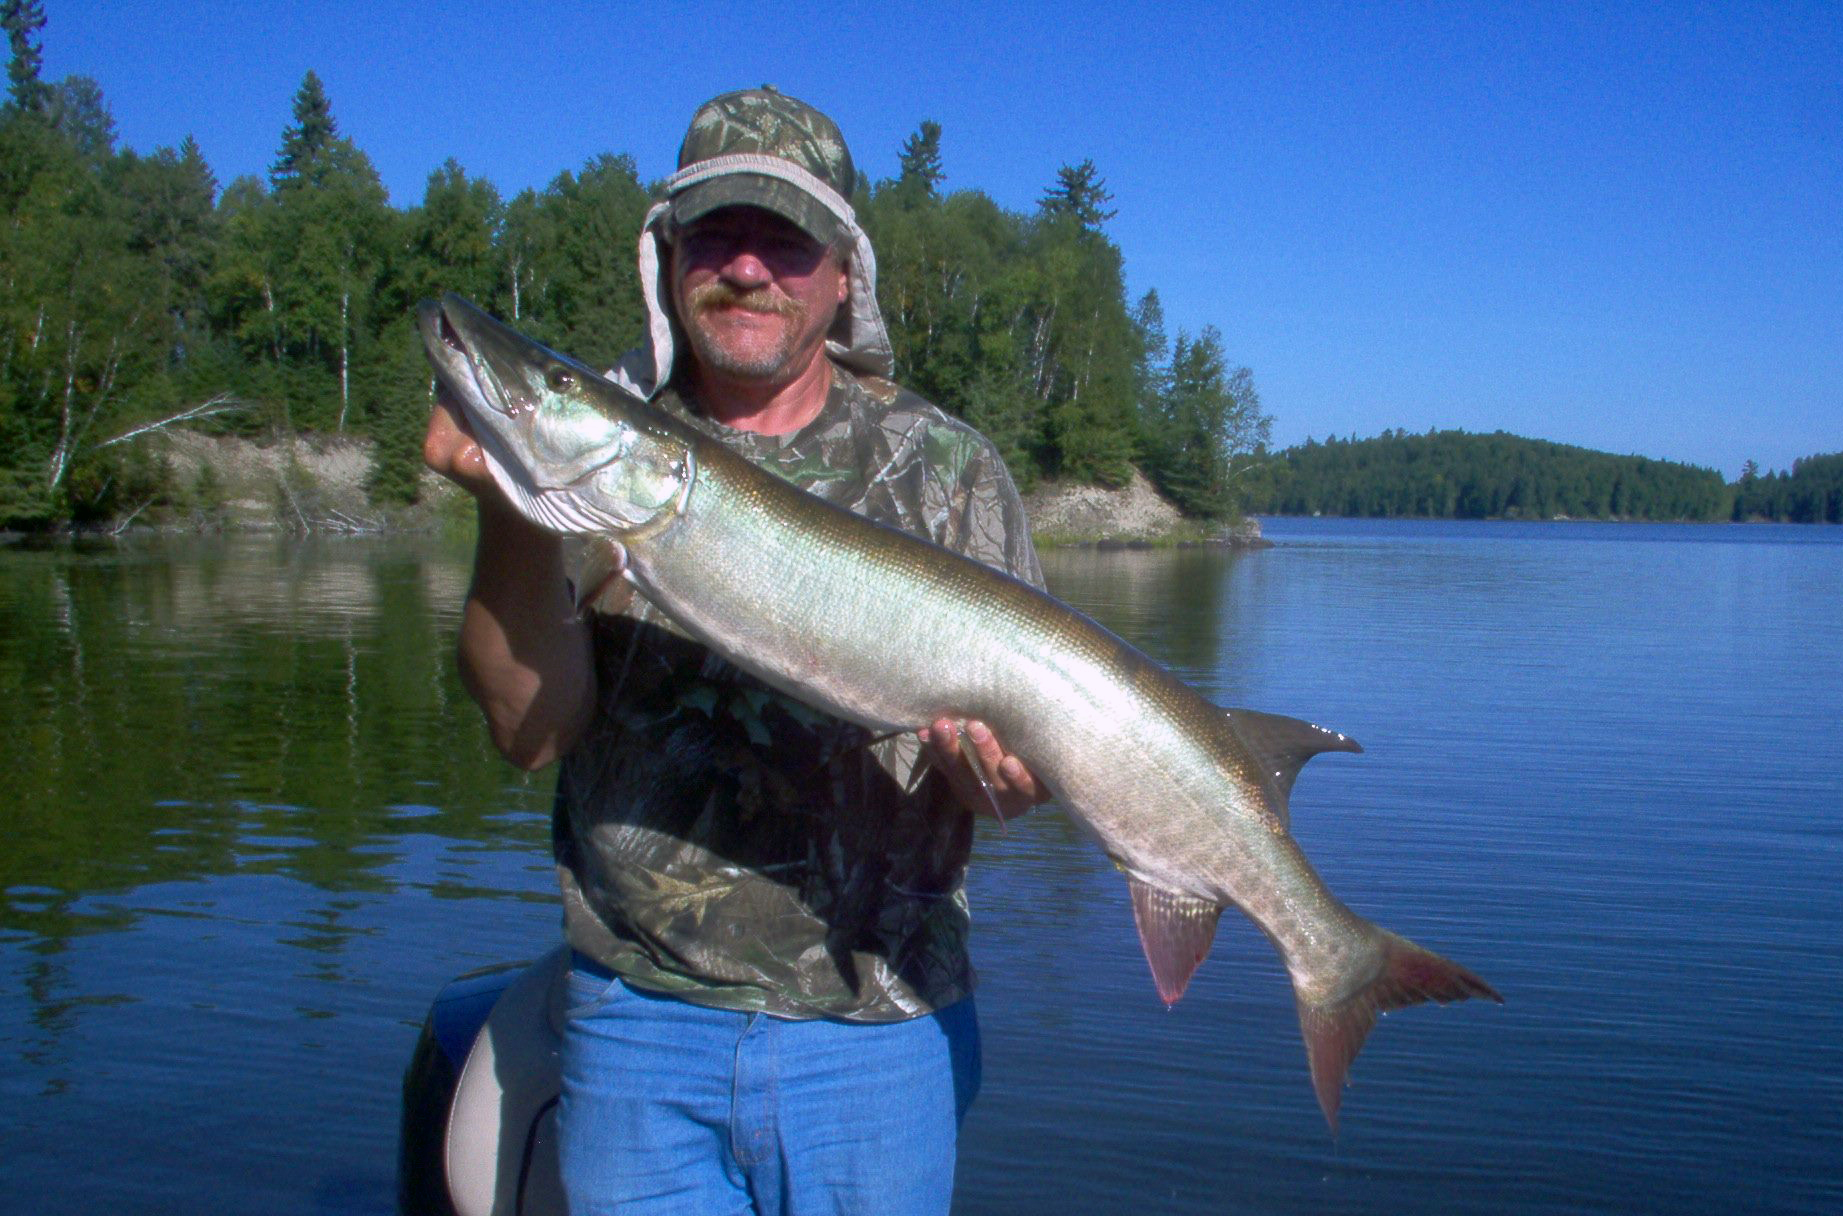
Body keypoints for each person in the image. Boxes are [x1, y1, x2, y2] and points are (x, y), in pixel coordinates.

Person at [422, 88, 1046, 1214]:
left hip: (877, 1033)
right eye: (715, 235)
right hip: (636, 1023)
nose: (747, 268)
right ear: (668, 259)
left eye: (784, 241)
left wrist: (996, 775)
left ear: (843, 275)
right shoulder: (609, 451)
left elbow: (1009, 790)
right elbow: (528, 732)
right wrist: (514, 506)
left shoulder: (947, 467)